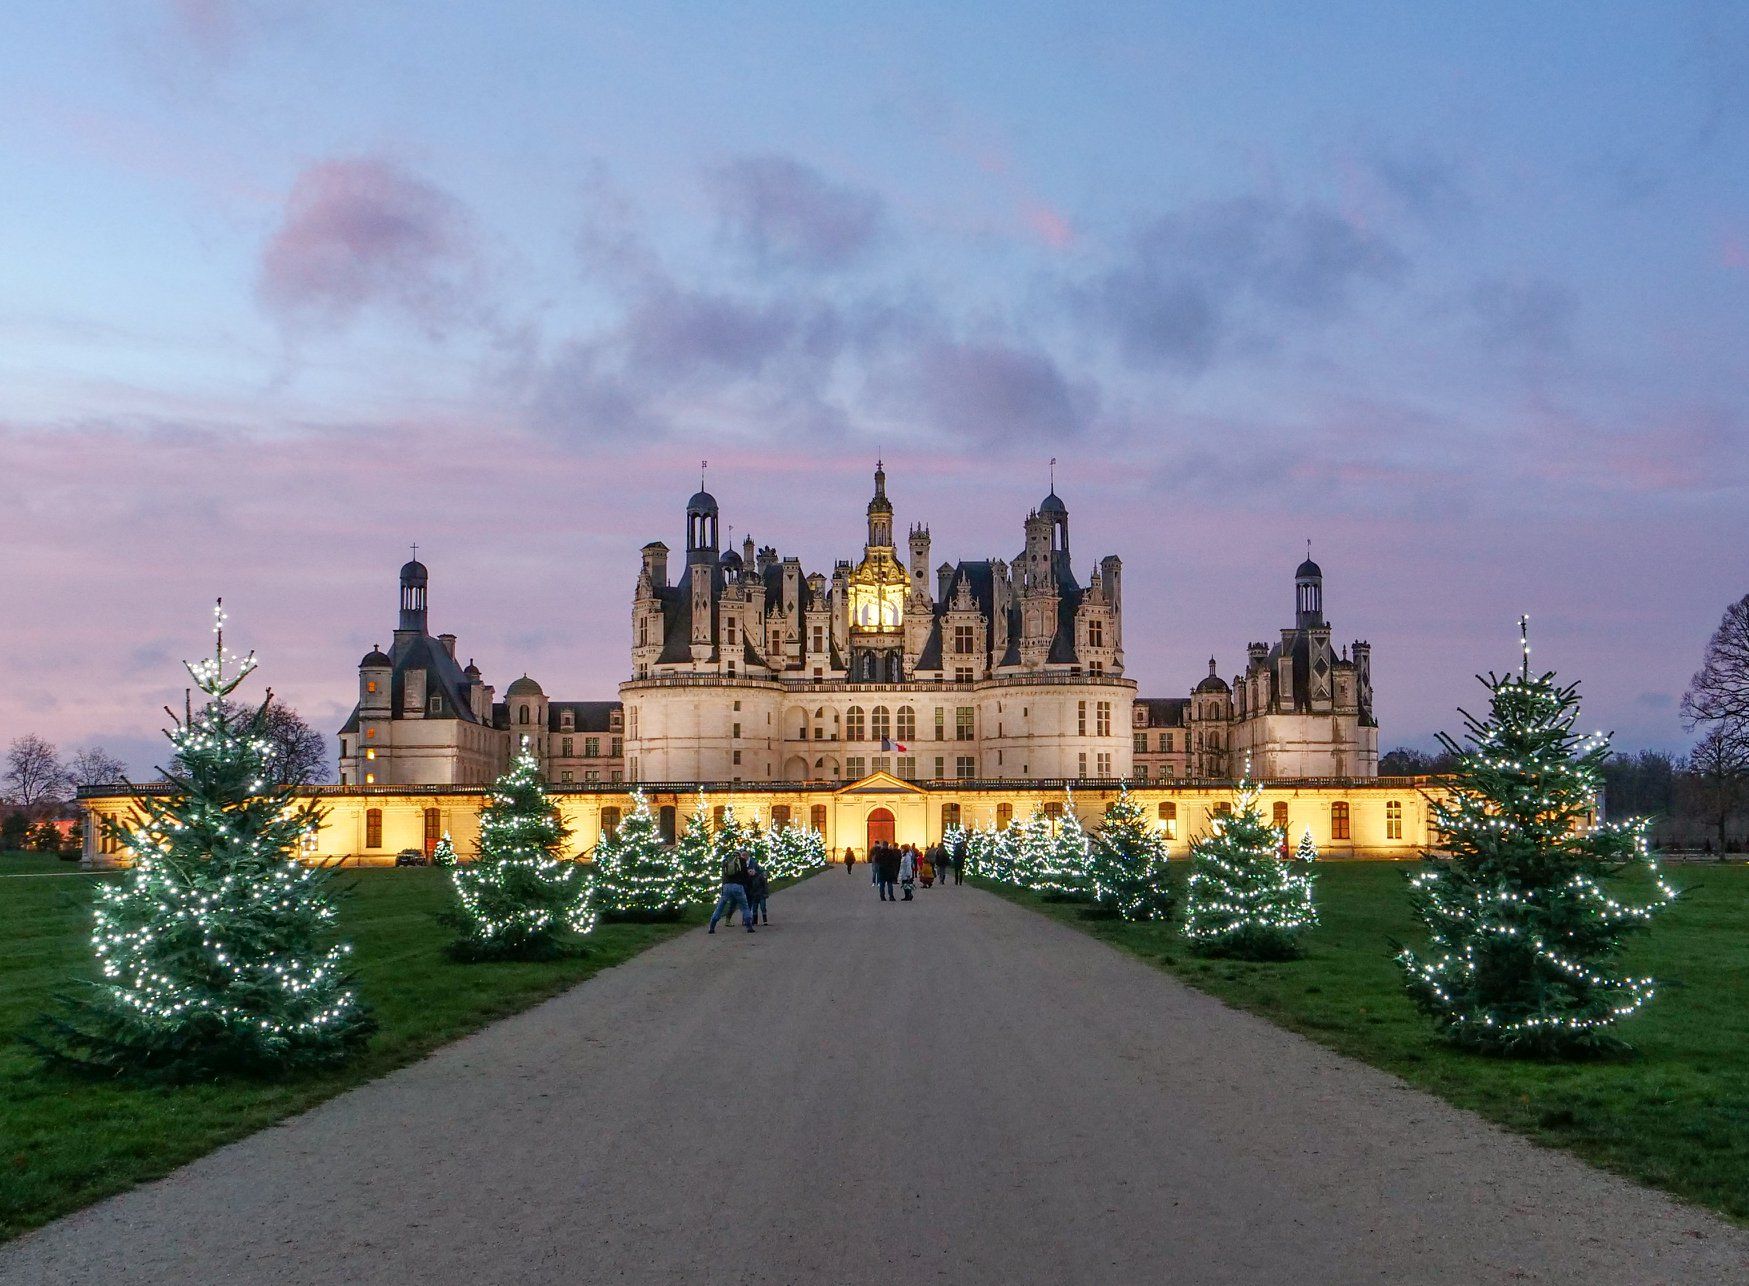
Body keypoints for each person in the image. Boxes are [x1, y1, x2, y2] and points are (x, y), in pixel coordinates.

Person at [708, 844, 756, 934]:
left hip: (726, 886)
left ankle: (712, 926)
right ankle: (749, 926)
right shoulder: (742, 861)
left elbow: (723, 876)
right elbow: (745, 876)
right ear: (739, 855)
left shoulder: (726, 861)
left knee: (720, 907)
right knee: (745, 907)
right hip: (738, 886)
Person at [746, 855, 770, 927]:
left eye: (752, 870)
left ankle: (765, 920)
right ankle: (755, 921)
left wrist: (766, 893)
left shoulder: (760, 877)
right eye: (750, 871)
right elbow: (749, 887)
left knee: (763, 907)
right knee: (754, 909)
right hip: (754, 895)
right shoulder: (750, 879)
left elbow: (765, 885)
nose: (751, 872)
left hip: (761, 895)